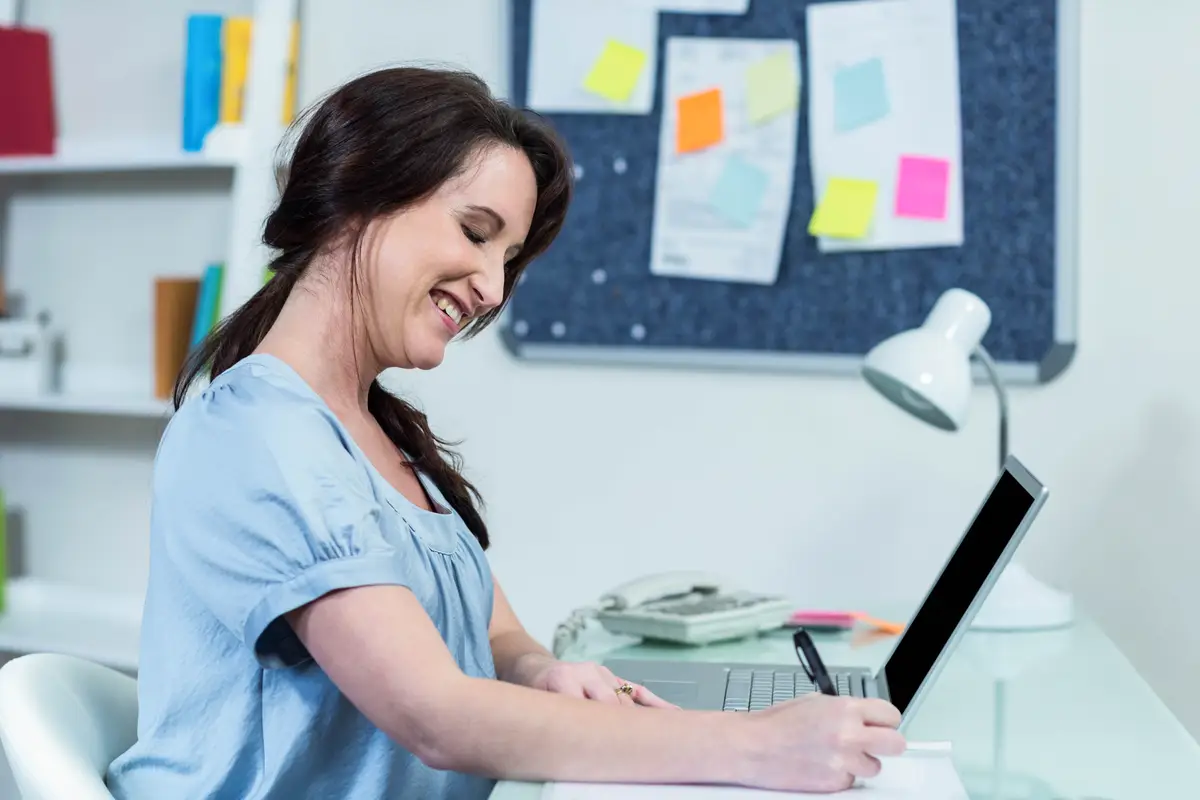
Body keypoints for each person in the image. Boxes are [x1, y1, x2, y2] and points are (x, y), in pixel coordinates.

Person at [106, 66, 905, 799]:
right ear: (357, 198)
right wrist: (753, 746)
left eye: (509, 258)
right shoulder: (260, 437)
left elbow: (495, 631)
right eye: (475, 232)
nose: (491, 287)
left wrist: (545, 672)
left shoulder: (375, 432)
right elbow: (435, 716)